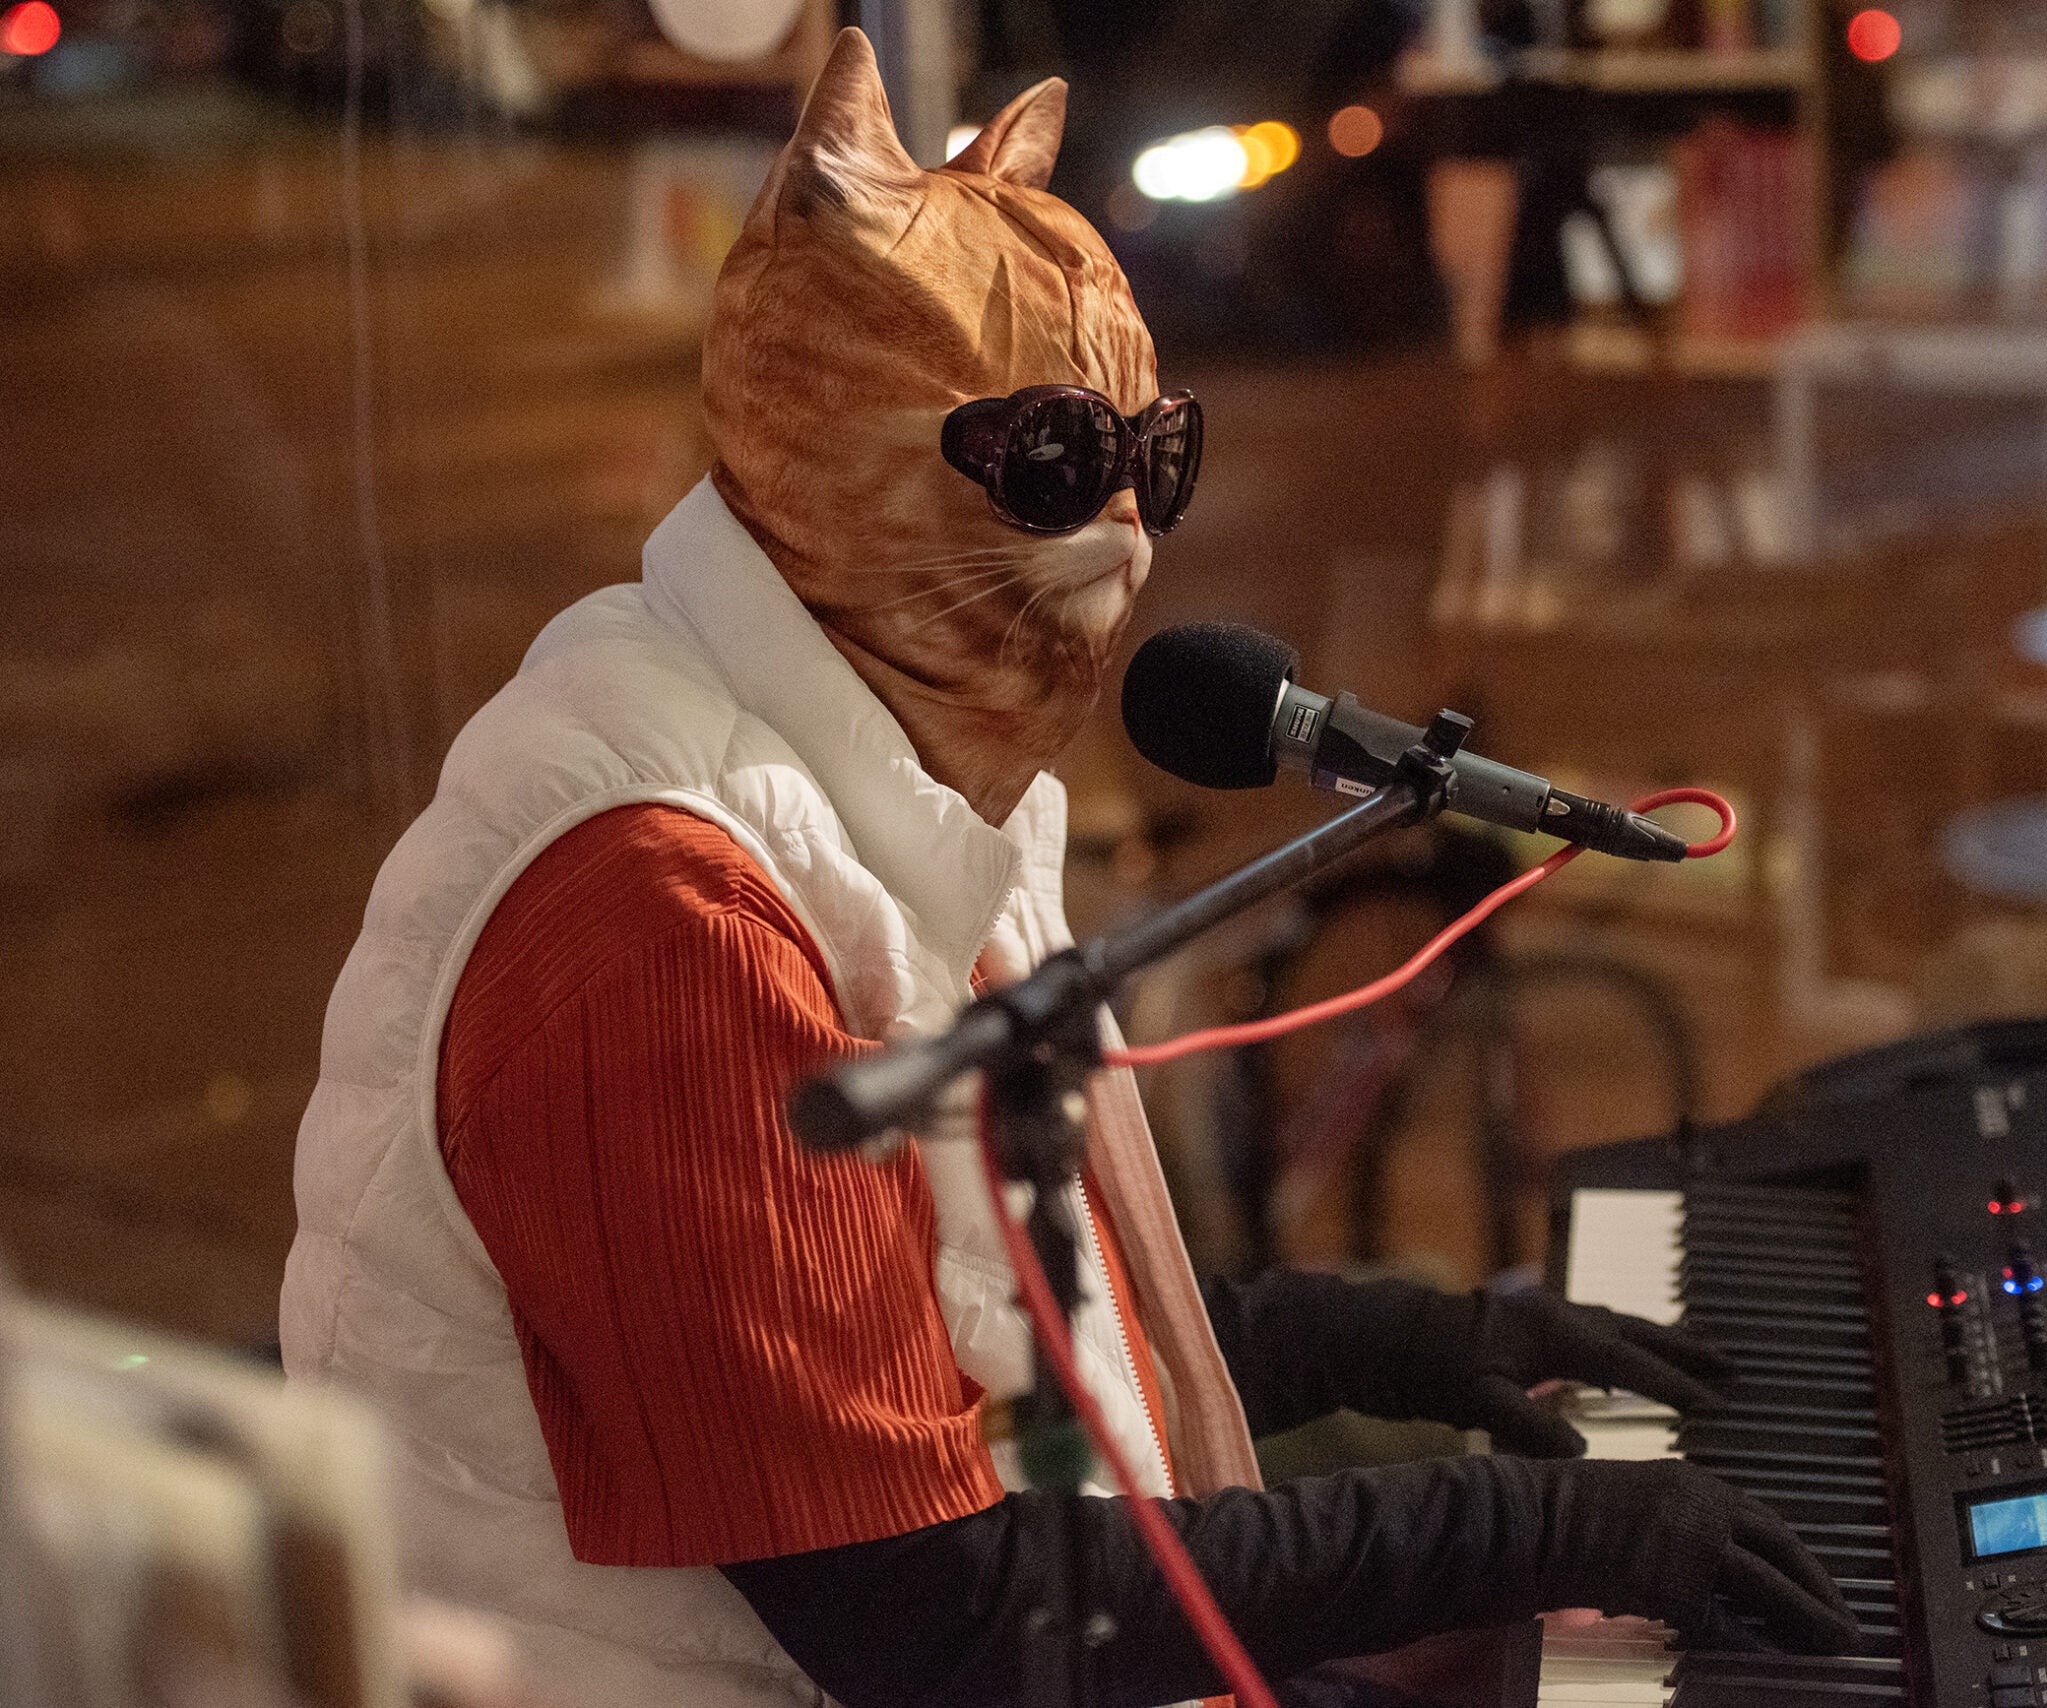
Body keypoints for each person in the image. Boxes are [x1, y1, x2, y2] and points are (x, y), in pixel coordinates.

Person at [279, 30, 1852, 1707]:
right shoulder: (667, 909)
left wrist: (1415, 1346)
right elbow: (942, 1615)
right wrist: (1533, 1528)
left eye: (1151, 458)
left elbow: (995, 1343)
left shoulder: (868, 765)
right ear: (826, 428)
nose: (1127, 529)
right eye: (1048, 462)